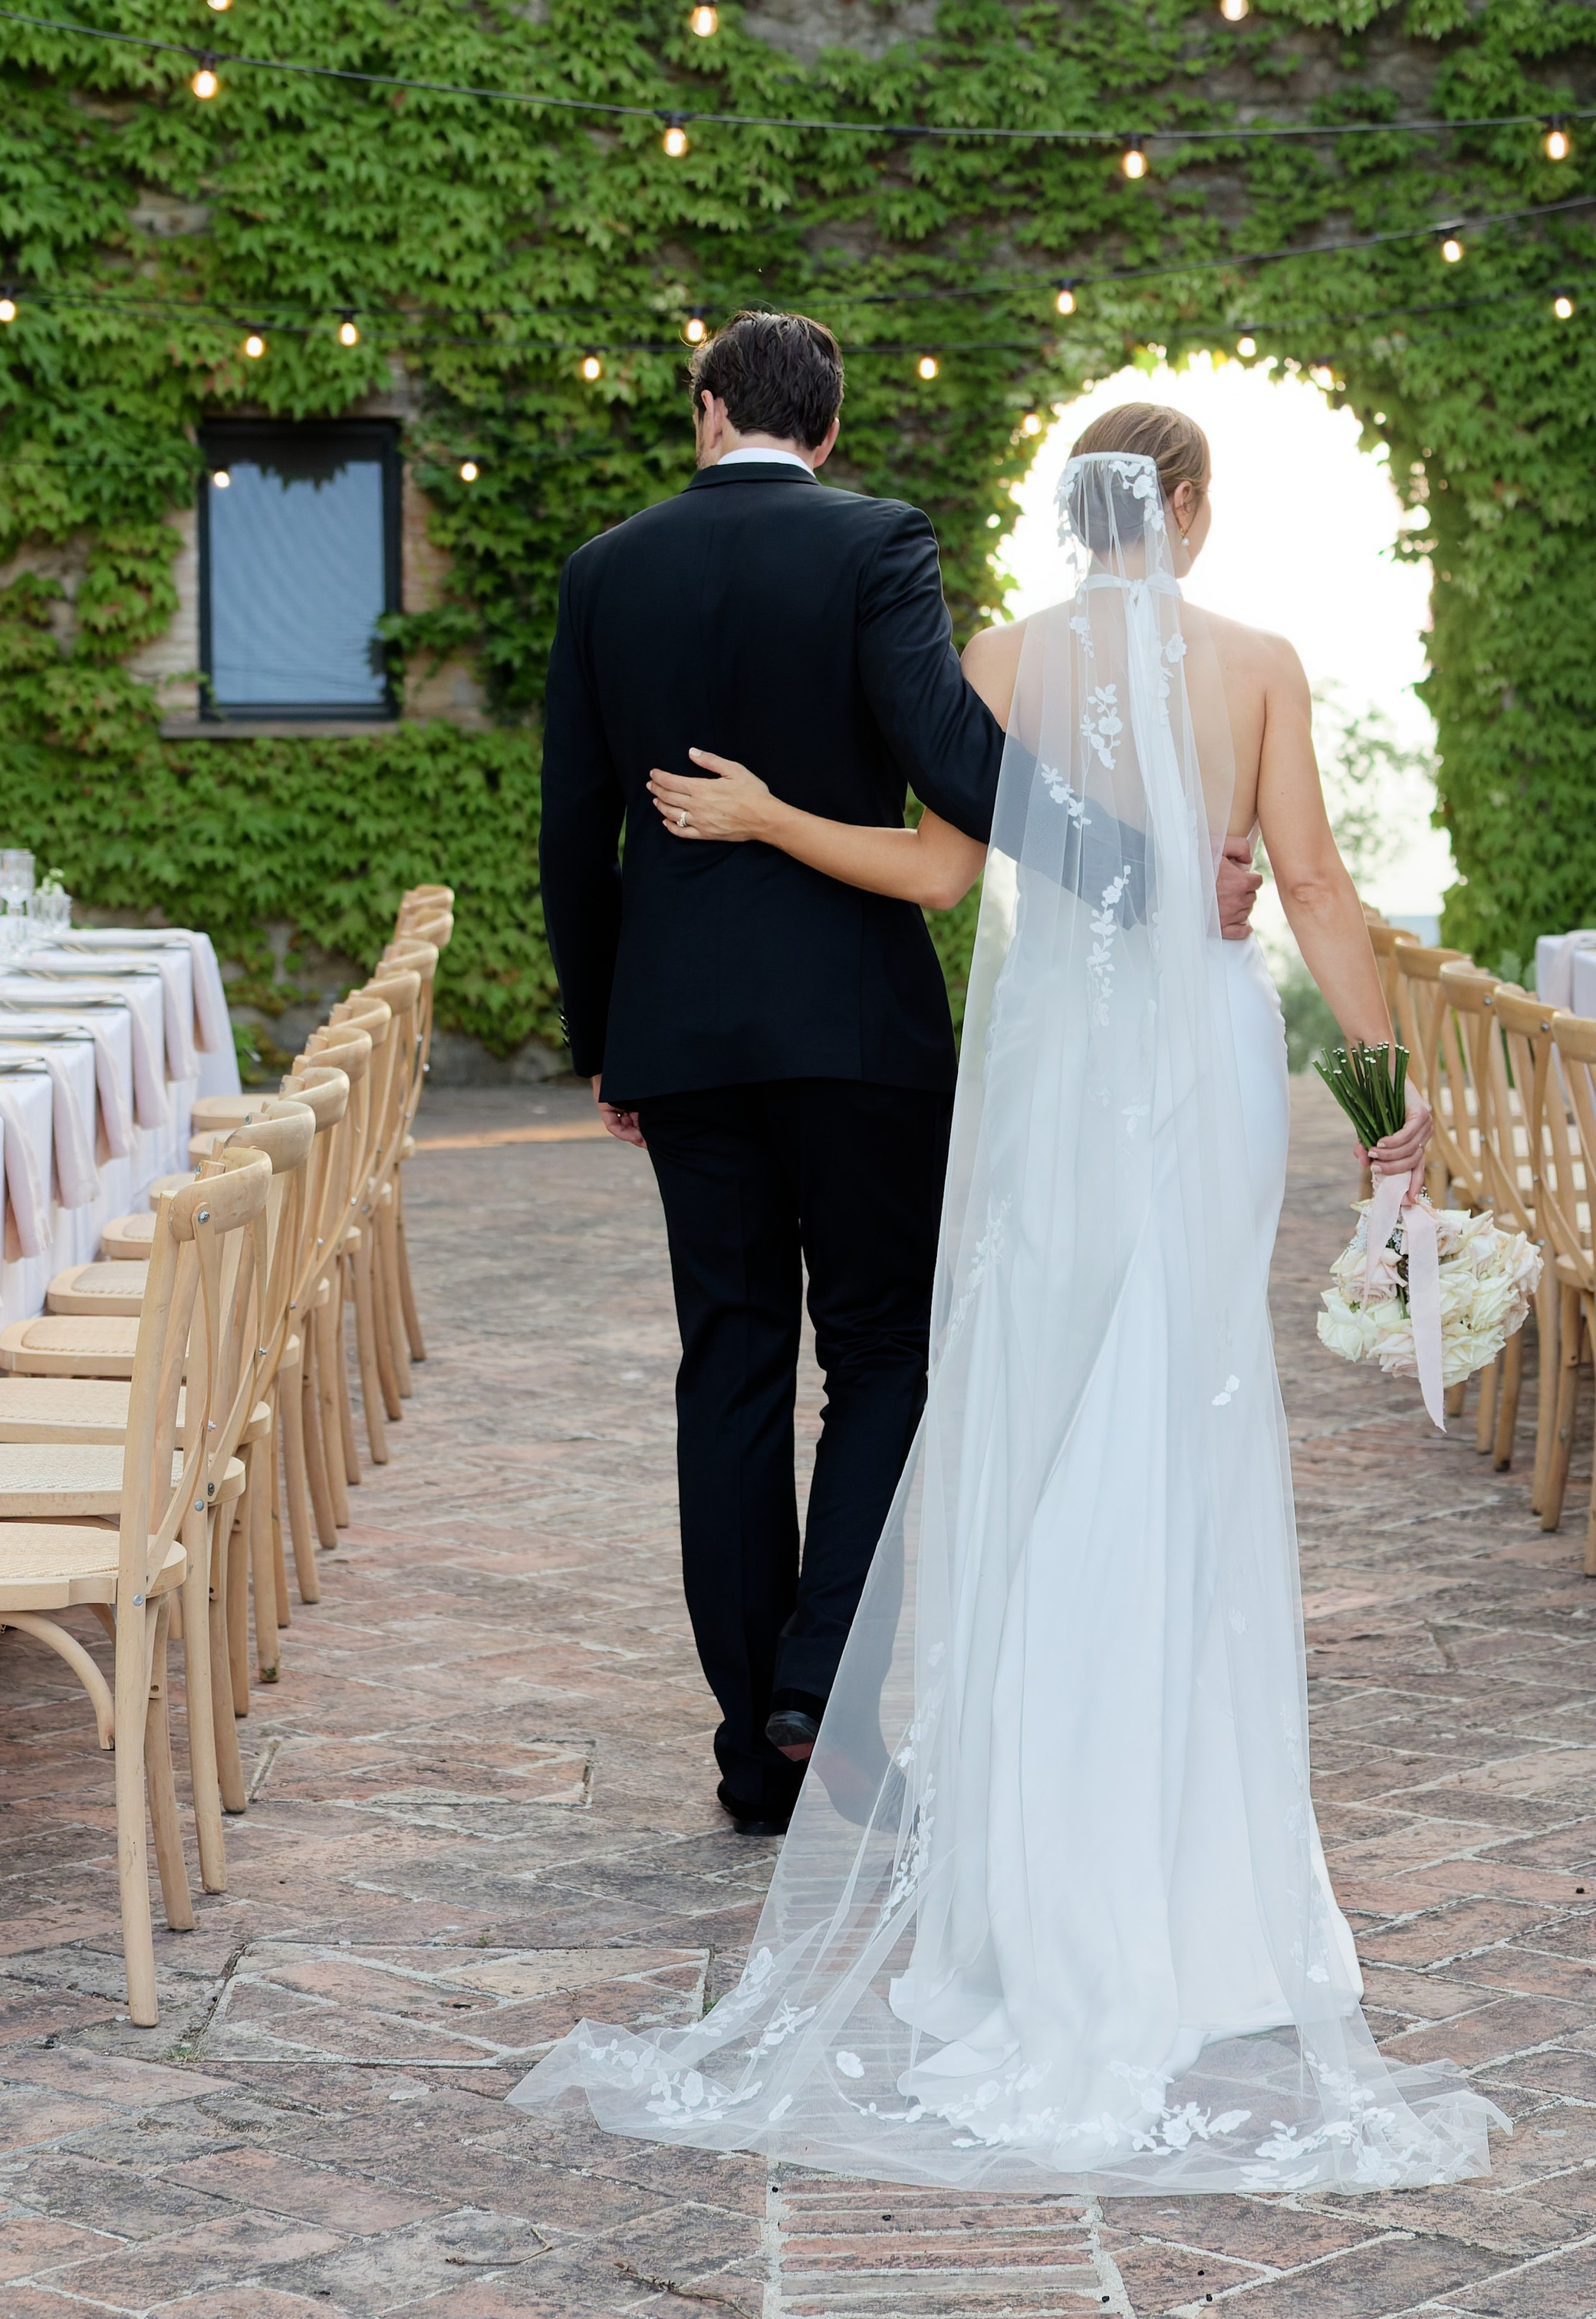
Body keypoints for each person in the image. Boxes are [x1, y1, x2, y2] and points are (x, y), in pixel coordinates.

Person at [514, 406, 1492, 2197]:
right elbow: (1313, 888)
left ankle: (1035, 1852)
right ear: (1182, 508)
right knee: (1185, 1402)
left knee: (1045, 1423)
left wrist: (763, 816)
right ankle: (1193, 1870)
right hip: (1201, 1068)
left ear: (1073, 512)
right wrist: (1381, 1089)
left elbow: (935, 872)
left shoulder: (998, 660)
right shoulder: (1257, 662)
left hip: (1052, 1074)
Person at [536, 323, 1264, 1837]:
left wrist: (605, 1036)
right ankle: (820, 1689)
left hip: (683, 1039)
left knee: (728, 1366)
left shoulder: (605, 571)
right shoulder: (875, 542)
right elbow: (956, 760)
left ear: (708, 410)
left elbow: (572, 828)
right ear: (827, 427)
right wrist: (1142, 874)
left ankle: (759, 1757)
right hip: (858, 1035)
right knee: (878, 1356)